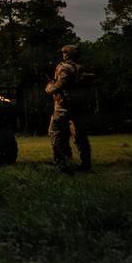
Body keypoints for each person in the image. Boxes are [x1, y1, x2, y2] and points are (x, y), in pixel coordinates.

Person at [45, 44, 93, 174]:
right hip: (82, 106)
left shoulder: (66, 68)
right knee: (80, 136)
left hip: (64, 107)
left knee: (55, 132)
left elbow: (59, 87)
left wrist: (49, 87)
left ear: (68, 54)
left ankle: (61, 163)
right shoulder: (84, 67)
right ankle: (85, 164)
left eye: (64, 53)